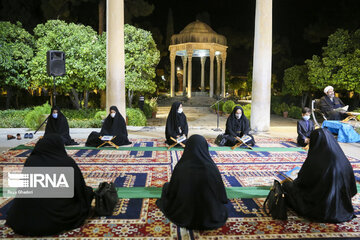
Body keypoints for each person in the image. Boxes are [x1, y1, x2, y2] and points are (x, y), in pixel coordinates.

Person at [6, 134, 94, 236]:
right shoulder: (66, 162)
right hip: (55, 221)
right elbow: (80, 189)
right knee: (87, 193)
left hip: (26, 220)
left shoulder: (31, 161)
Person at [283, 128, 357, 223]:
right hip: (343, 207)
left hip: (320, 210)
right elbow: (352, 188)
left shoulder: (315, 160)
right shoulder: (342, 158)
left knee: (287, 186)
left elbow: (302, 183)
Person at [156, 134, 228, 230]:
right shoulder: (211, 168)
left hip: (183, 213)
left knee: (166, 186)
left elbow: (172, 192)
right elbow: (221, 194)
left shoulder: (181, 167)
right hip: (210, 214)